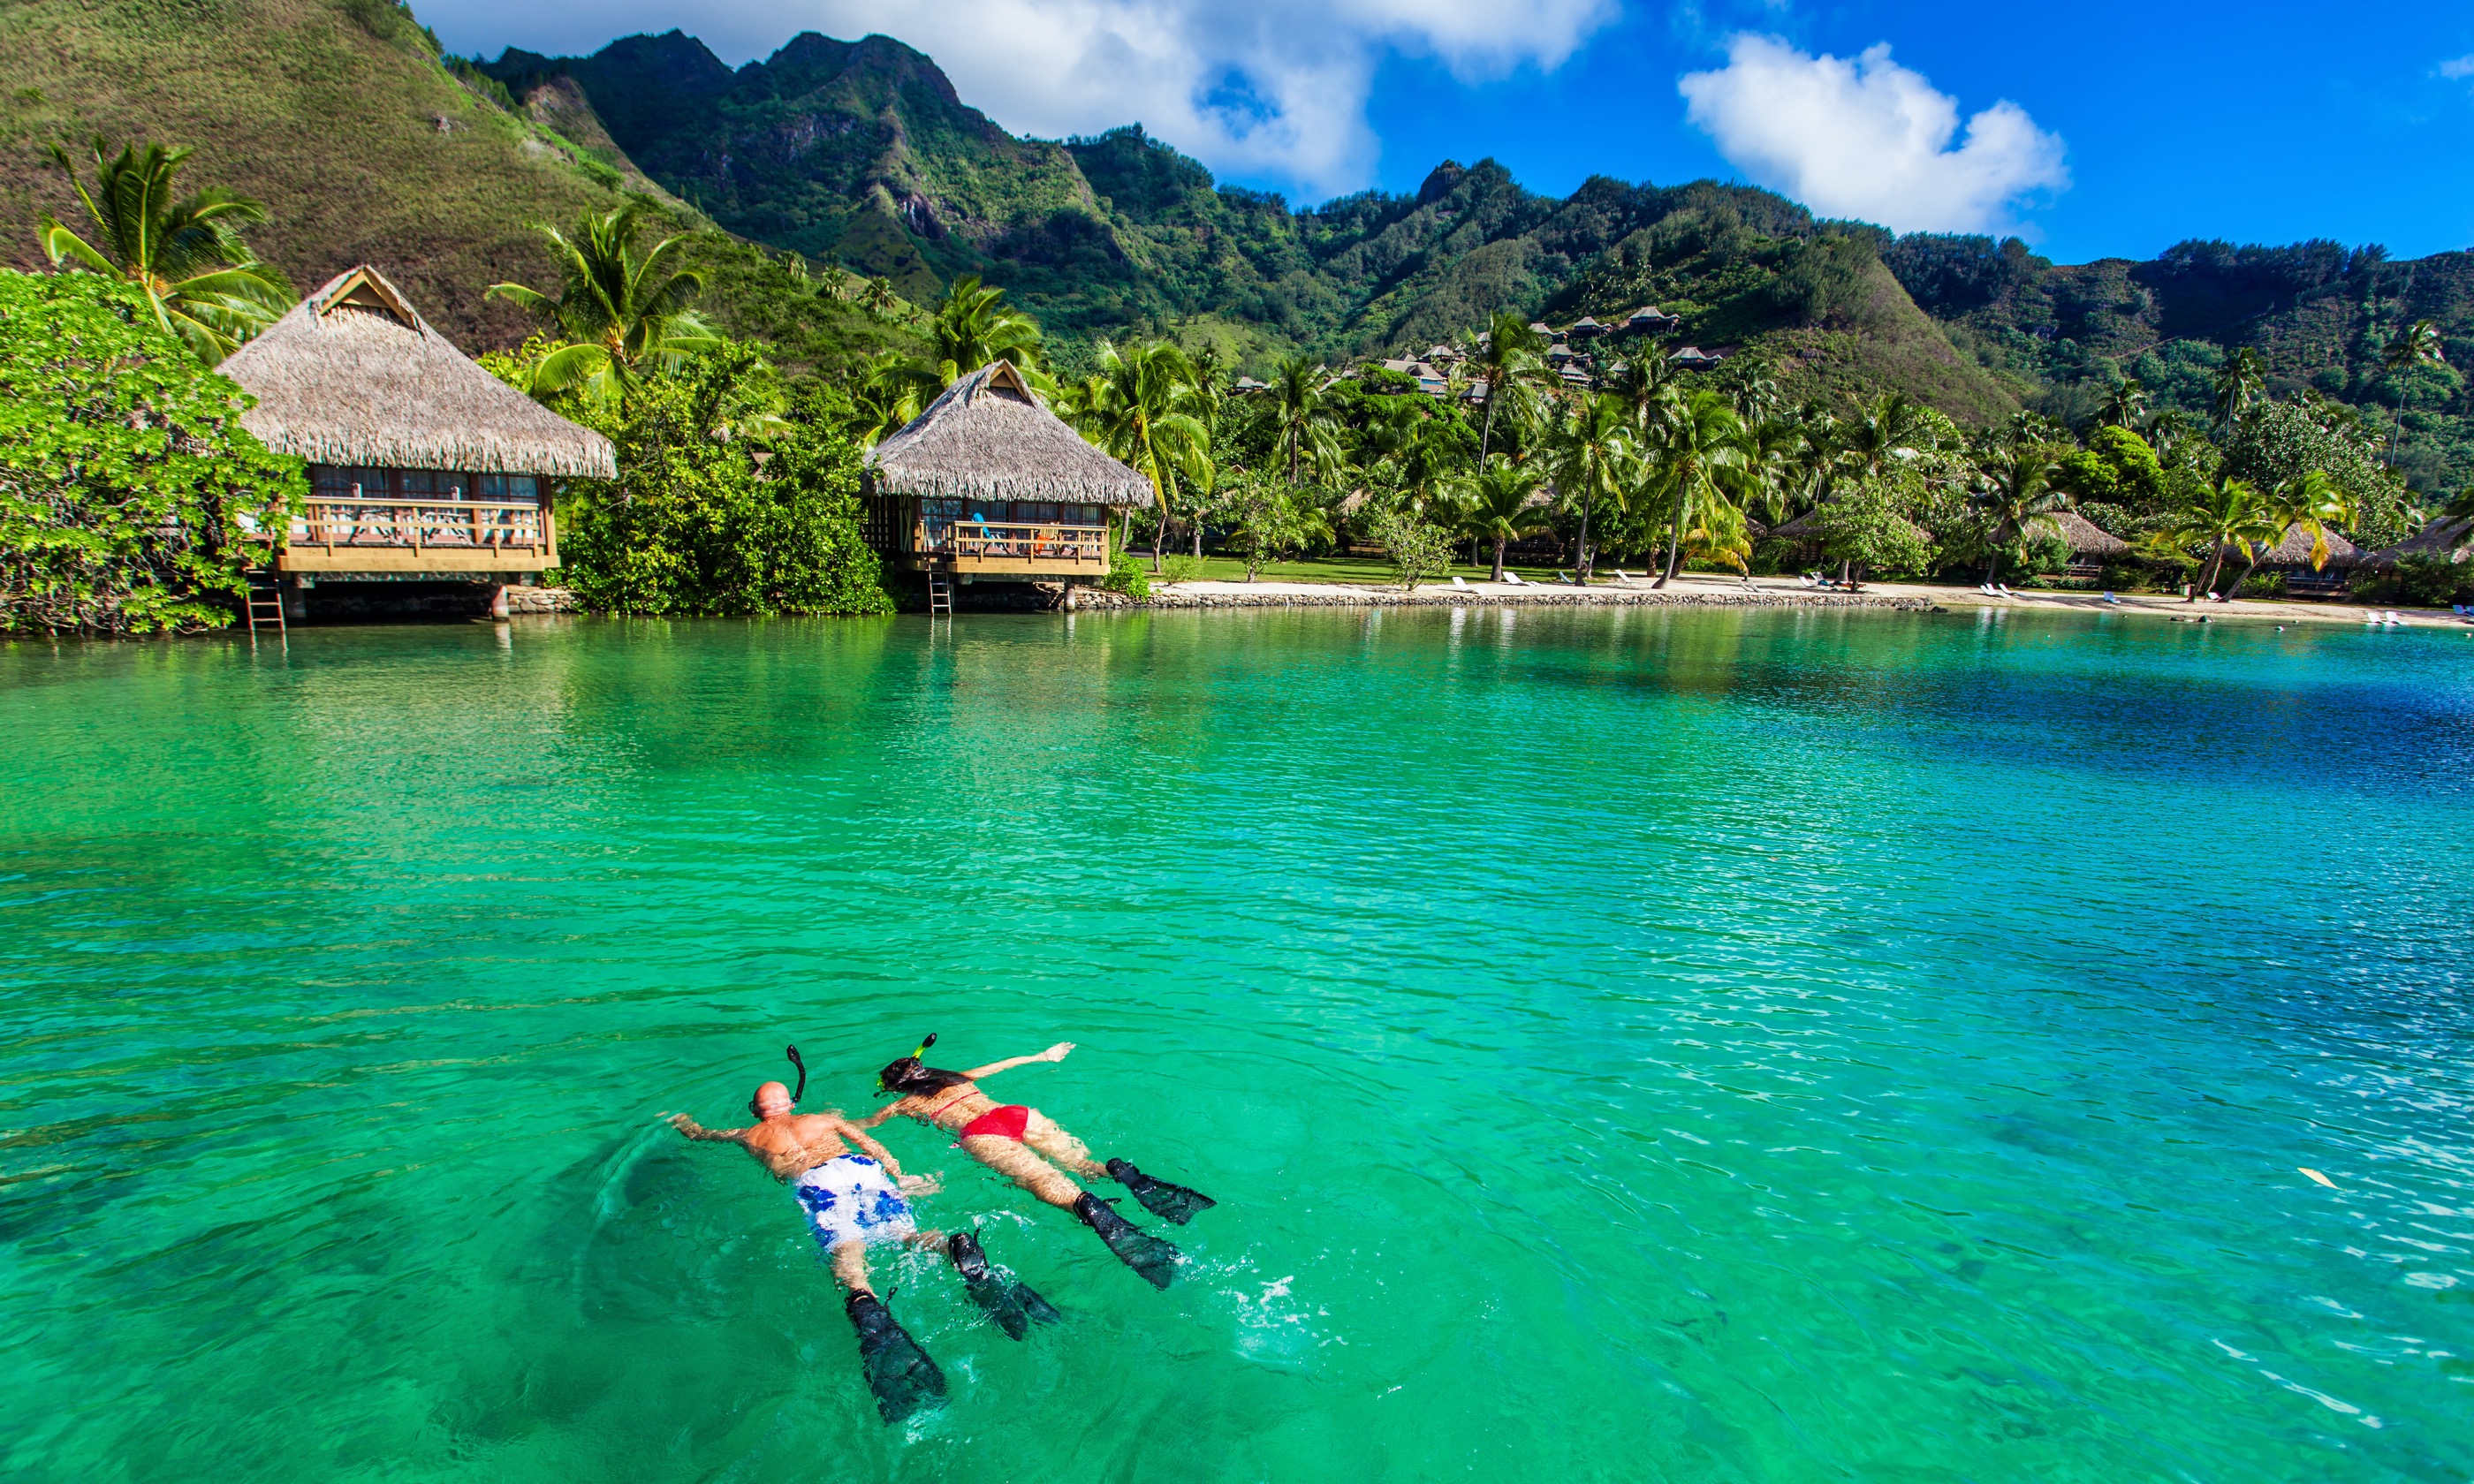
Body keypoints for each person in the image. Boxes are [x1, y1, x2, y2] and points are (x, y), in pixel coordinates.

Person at [669, 1071, 1059, 1423]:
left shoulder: (745, 1134)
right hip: (859, 1168)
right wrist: (901, 1175)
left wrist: (681, 1121)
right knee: (906, 1234)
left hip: (816, 1184)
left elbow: (700, 1134)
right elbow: (869, 1143)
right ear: (791, 1104)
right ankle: (949, 1247)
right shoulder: (822, 1119)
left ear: (756, 1111)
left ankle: (863, 1298)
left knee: (847, 1252)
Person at [858, 1035, 1214, 1291]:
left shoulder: (903, 1105)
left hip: (981, 1134)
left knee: (1048, 1184)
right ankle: (1119, 1171)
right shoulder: (959, 1077)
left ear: (897, 1089)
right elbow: (1005, 1064)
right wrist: (1045, 1055)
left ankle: (1085, 1205)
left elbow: (864, 1127)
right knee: (1082, 1162)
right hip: (1014, 1114)